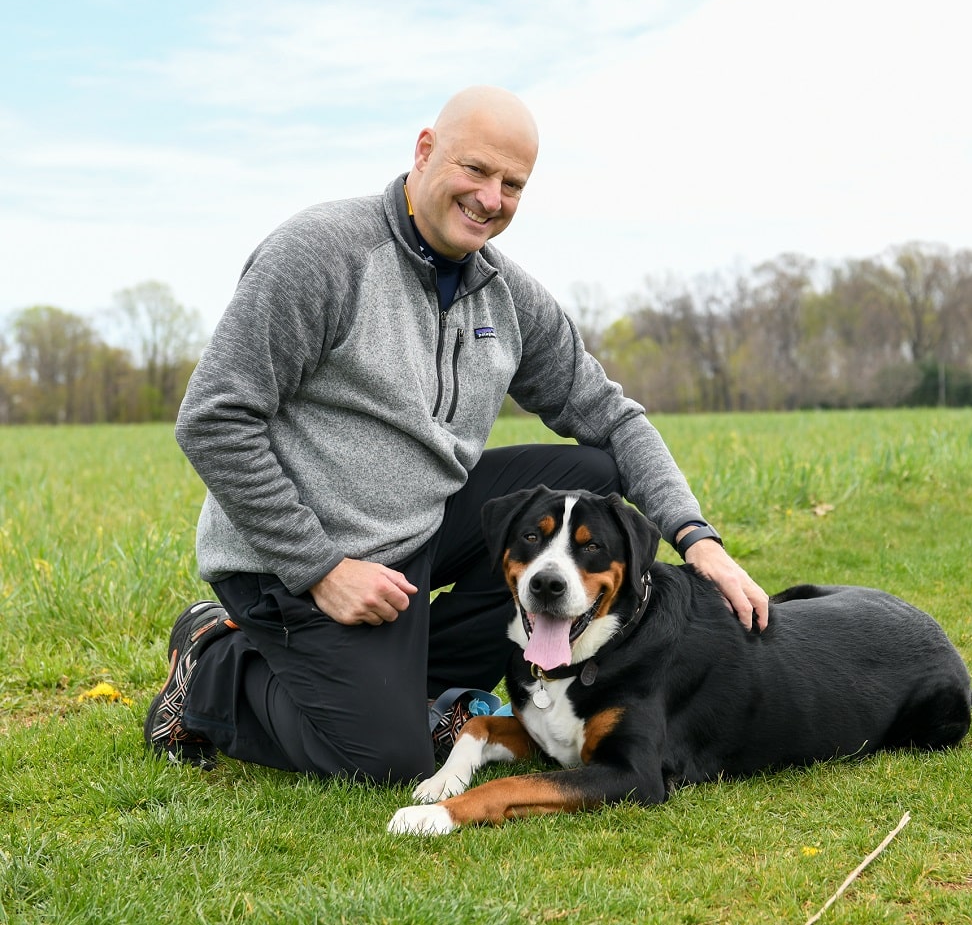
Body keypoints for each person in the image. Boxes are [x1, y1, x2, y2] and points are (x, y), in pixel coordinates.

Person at [145, 85, 769, 783]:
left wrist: (696, 538)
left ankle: (395, 677)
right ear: (423, 150)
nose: (490, 197)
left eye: (512, 184)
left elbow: (613, 415)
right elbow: (213, 418)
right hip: (294, 555)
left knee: (595, 474)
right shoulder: (320, 254)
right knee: (386, 757)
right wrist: (320, 567)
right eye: (475, 169)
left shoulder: (505, 292)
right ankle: (211, 663)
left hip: (420, 526)